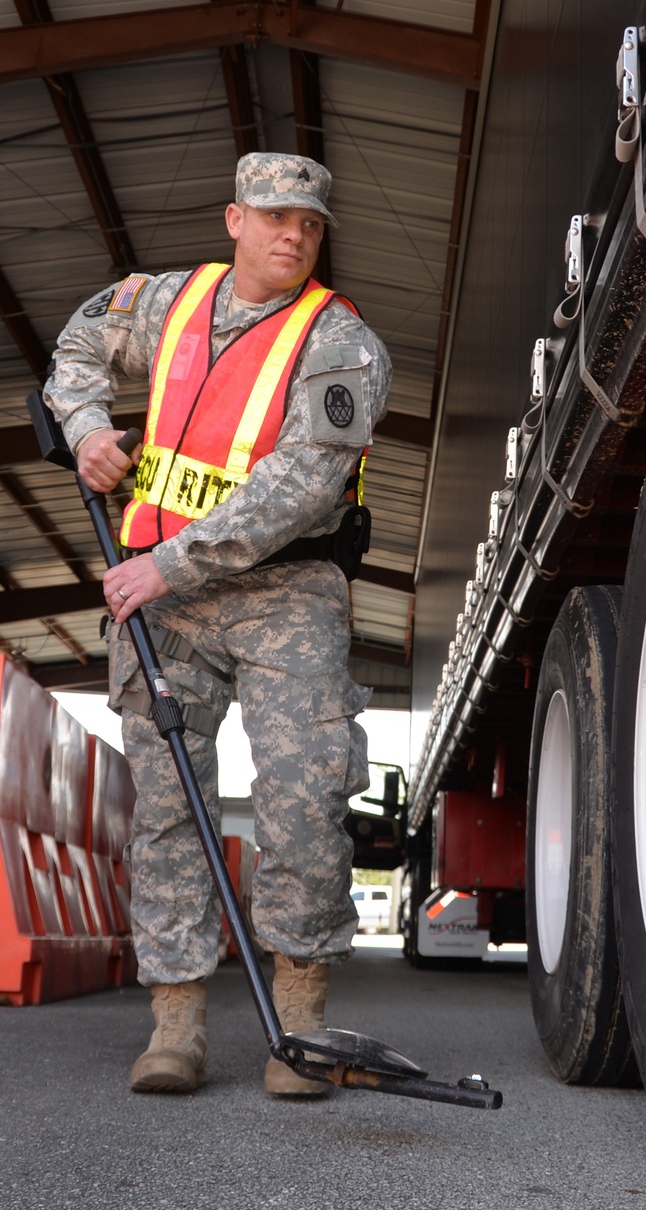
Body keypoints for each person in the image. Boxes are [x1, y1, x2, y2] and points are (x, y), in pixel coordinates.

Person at [43, 153, 391, 1098]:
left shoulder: (340, 340)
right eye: (277, 216)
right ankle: (176, 1027)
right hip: (164, 605)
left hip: (286, 591)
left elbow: (302, 485)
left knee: (303, 804)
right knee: (164, 812)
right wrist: (85, 430)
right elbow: (73, 349)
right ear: (234, 219)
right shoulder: (166, 304)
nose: (294, 235)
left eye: (310, 224)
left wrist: (167, 561)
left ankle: (302, 1030)